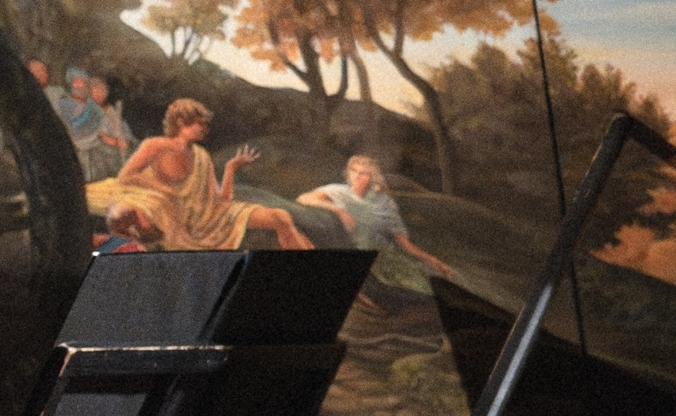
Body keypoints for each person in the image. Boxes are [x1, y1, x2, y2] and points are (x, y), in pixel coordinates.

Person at [110, 97, 314, 252]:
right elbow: (126, 176)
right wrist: (165, 190)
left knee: (281, 217)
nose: (204, 129)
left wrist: (230, 168)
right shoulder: (155, 145)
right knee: (281, 218)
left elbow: (222, 199)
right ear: (181, 122)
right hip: (188, 223)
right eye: (199, 123)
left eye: (205, 124)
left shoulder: (201, 155)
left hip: (212, 215)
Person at [298, 153, 453, 282]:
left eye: (364, 173)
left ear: (371, 177)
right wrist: (338, 210)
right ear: (348, 173)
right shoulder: (337, 191)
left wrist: (433, 260)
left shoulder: (384, 204)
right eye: (354, 171)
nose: (358, 176)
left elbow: (405, 245)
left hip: (384, 257)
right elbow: (304, 198)